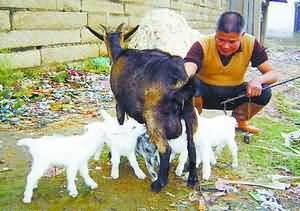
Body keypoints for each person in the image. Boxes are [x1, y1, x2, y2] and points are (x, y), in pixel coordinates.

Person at [184, 11, 278, 134]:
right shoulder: (202, 44)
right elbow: (188, 68)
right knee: (190, 84)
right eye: (221, 40)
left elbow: (273, 74)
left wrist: (258, 81)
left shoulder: (251, 43)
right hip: (203, 94)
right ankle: (192, 123)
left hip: (234, 95)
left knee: (264, 91)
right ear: (215, 33)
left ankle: (239, 122)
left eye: (232, 41)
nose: (226, 46)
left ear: (242, 35)